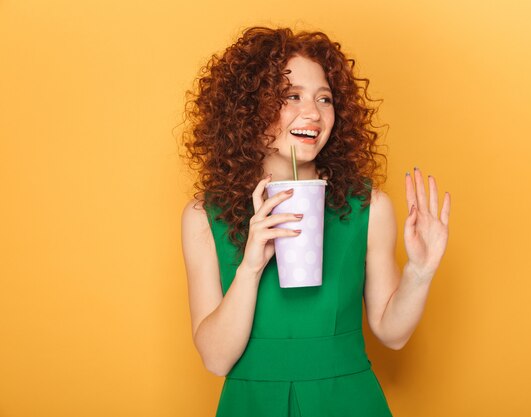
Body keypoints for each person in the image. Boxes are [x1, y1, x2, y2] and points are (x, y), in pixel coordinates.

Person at [180, 26, 451, 417]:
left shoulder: (369, 207)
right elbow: (216, 360)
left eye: (324, 98)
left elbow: (392, 334)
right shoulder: (203, 216)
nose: (313, 113)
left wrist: (420, 271)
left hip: (349, 402)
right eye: (291, 96)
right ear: (246, 110)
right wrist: (252, 265)